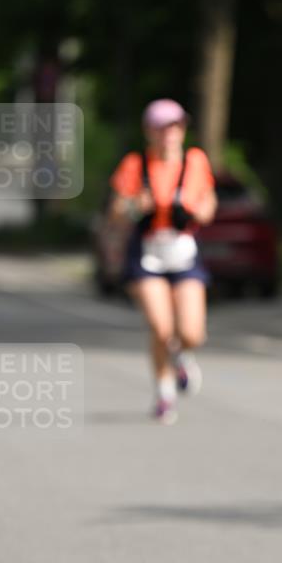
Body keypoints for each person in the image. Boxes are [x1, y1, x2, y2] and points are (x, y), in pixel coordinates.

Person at [109, 99, 217, 424]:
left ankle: (183, 354)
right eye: (163, 128)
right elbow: (116, 212)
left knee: (192, 332)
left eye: (176, 127)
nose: (170, 134)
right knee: (160, 327)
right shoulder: (135, 164)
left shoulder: (195, 161)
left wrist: (199, 211)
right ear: (150, 132)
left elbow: (209, 203)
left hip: (183, 251)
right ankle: (164, 393)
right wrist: (133, 207)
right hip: (147, 253)